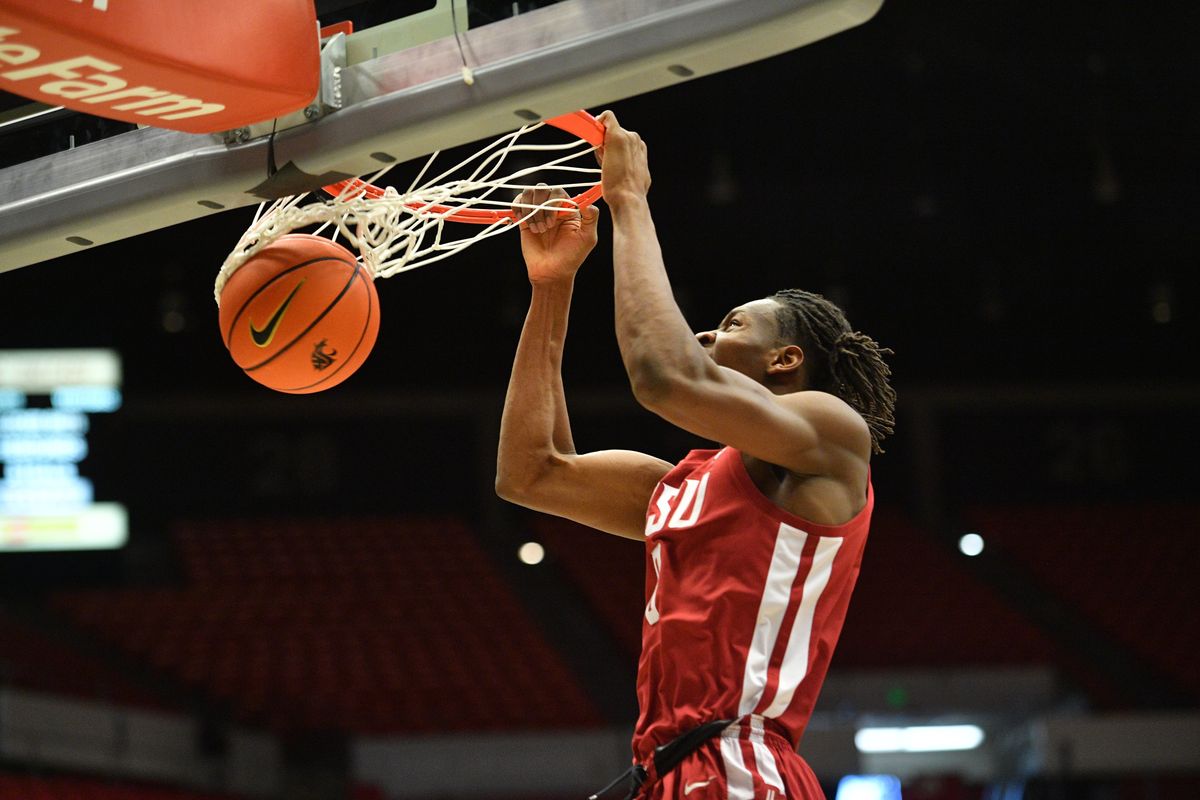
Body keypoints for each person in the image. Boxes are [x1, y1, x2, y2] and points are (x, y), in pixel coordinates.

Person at [495, 110, 896, 800]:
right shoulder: (686, 484)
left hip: (741, 765)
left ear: (785, 360)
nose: (709, 330)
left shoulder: (833, 437)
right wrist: (552, 286)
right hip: (666, 771)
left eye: (735, 323)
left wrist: (628, 199)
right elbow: (530, 472)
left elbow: (665, 376)